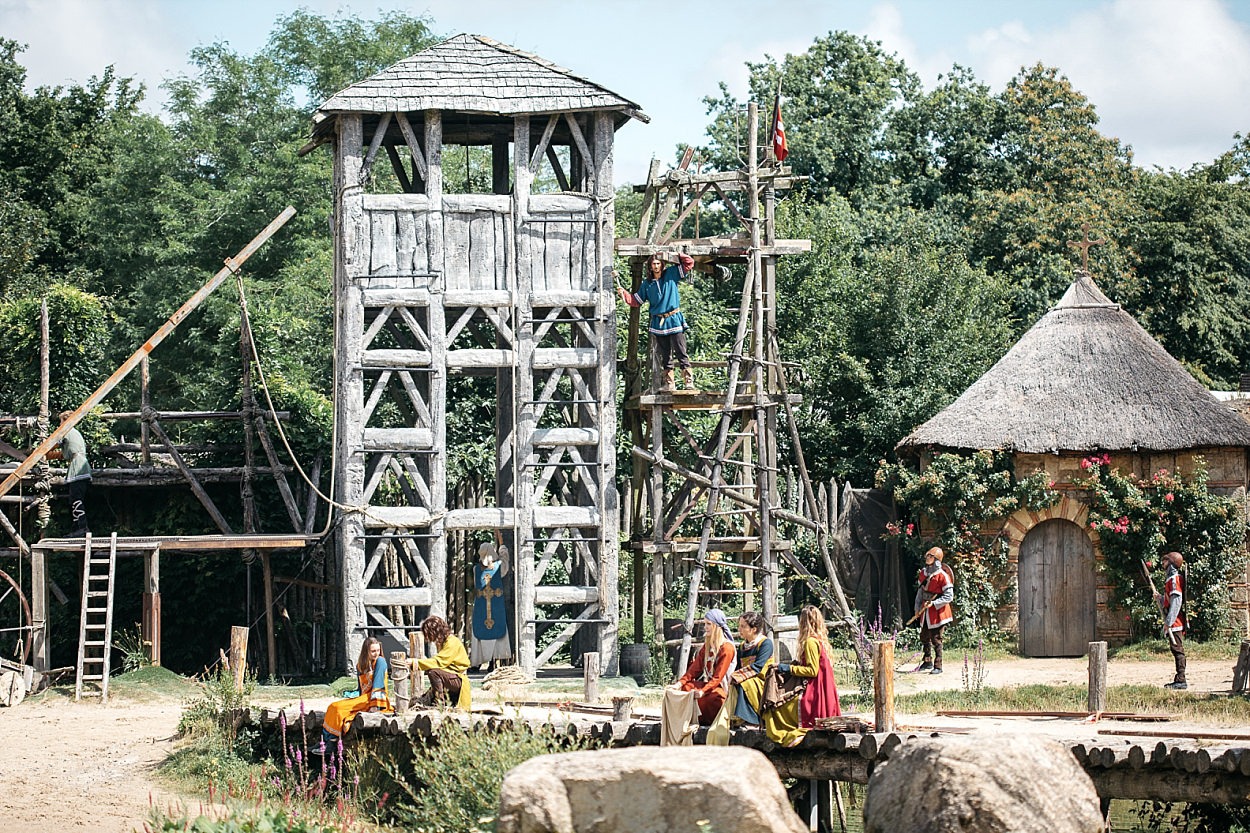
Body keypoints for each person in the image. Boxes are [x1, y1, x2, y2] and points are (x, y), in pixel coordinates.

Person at [763, 604, 840, 747]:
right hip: (821, 687)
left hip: (815, 690)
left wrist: (786, 668)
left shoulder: (810, 642)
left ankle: (783, 732)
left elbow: (812, 671)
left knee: (777, 707)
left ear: (804, 622)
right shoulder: (819, 640)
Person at [617, 253, 694, 391]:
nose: (656, 266)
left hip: (674, 319)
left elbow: (689, 263)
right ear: (650, 266)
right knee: (665, 355)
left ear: (662, 265)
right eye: (654, 264)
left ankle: (688, 381)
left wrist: (677, 253)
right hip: (658, 322)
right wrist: (624, 293)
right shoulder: (647, 284)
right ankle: (669, 384)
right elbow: (636, 301)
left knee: (681, 351)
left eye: (658, 263)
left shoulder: (671, 274)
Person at [320, 636, 392, 750]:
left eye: (378, 650)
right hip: (364, 698)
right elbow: (360, 689)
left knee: (338, 708)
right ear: (366, 651)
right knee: (332, 707)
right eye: (373, 651)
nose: (376, 653)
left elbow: (378, 685)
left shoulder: (380, 661)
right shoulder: (360, 665)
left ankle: (332, 742)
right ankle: (324, 740)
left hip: (377, 700)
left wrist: (374, 707)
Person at [674, 608, 738, 726]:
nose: (705, 627)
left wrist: (703, 691)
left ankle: (707, 719)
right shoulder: (707, 646)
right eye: (705, 623)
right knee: (686, 689)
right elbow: (695, 668)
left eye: (709, 624)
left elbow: (718, 677)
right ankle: (689, 718)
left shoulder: (727, 648)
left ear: (717, 626)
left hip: (723, 689)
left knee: (713, 699)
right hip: (710, 686)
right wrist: (680, 683)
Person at [470, 530, 512, 671]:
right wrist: (501, 542)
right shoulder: (499, 567)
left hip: (481, 607)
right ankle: (493, 663)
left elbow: (491, 561)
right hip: (495, 606)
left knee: (481, 636)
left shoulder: (476, 569)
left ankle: (478, 663)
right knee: (492, 634)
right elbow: (504, 557)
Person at [45, 411, 91, 536]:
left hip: (78, 468)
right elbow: (65, 453)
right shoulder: (74, 434)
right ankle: (77, 529)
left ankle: (82, 527)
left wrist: (42, 450)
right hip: (80, 466)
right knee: (74, 499)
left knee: (76, 499)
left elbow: (53, 444)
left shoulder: (66, 431)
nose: (60, 424)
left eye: (60, 421)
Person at [416, 615, 471, 710]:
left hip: (458, 680)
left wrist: (415, 663)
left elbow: (439, 662)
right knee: (433, 673)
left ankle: (439, 704)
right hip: (452, 678)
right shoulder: (443, 642)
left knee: (433, 672)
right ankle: (442, 700)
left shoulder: (452, 642)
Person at [730, 610, 775, 727]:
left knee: (744, 683)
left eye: (743, 626)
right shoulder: (741, 647)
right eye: (739, 626)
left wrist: (738, 677)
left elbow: (758, 667)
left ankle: (752, 720)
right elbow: (738, 667)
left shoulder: (765, 644)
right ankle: (736, 717)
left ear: (753, 629)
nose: (739, 629)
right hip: (747, 679)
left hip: (763, 681)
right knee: (735, 684)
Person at [915, 546, 954, 674]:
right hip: (925, 610)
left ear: (936, 559)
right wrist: (917, 607)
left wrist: (934, 603)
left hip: (937, 612)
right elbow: (920, 592)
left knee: (936, 638)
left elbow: (949, 596)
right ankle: (927, 661)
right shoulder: (924, 573)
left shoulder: (943, 576)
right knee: (924, 636)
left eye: (930, 556)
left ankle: (938, 665)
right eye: (927, 556)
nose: (927, 558)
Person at [1156, 550, 1187, 690]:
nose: (1163, 563)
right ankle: (1179, 678)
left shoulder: (1175, 579)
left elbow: (1176, 602)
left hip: (1175, 621)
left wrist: (1169, 622)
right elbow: (1169, 601)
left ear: (1171, 563)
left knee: (1177, 650)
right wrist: (1160, 598)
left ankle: (1181, 679)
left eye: (1165, 561)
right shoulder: (1171, 579)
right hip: (1173, 619)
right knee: (1175, 649)